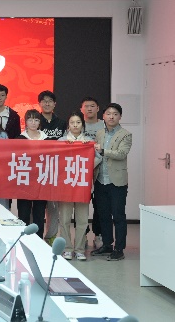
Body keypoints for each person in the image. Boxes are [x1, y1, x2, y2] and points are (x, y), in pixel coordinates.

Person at [58, 111, 102, 261]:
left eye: (78, 122)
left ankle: (80, 249)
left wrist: (90, 151)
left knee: (82, 219)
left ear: (82, 125)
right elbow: (55, 160)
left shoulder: (88, 141)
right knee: (64, 219)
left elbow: (98, 159)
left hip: (82, 185)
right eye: (72, 122)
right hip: (65, 185)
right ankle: (67, 248)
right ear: (68, 126)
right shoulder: (61, 141)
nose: (75, 125)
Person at [91, 103, 132, 261]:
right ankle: (107, 244)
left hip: (117, 182)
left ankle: (119, 249)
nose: (111, 116)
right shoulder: (100, 133)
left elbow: (121, 154)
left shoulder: (125, 134)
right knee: (103, 215)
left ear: (120, 116)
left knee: (119, 216)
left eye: (115, 114)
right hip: (100, 180)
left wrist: (103, 151)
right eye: (108, 113)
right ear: (103, 116)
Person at [38, 90, 67, 245]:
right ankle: (35, 235)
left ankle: (50, 236)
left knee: (53, 206)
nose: (47, 103)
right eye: (44, 101)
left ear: (54, 104)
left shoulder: (62, 123)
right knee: (37, 205)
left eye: (50, 101)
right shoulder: (35, 121)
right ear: (40, 103)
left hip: (56, 169)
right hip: (38, 168)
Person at [15, 109, 48, 238]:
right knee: (23, 214)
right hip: (24, 181)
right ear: (26, 122)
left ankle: (38, 240)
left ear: (40, 122)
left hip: (41, 181)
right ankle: (23, 240)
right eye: (30, 119)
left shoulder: (47, 139)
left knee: (39, 214)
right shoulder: (19, 139)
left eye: (36, 120)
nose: (33, 122)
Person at [81, 96, 105, 249]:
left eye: (92, 106)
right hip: (81, 170)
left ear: (98, 108)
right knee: (80, 204)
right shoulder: (78, 123)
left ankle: (98, 235)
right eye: (86, 106)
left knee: (99, 204)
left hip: (99, 169)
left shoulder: (104, 125)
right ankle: (82, 234)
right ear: (81, 109)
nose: (89, 109)